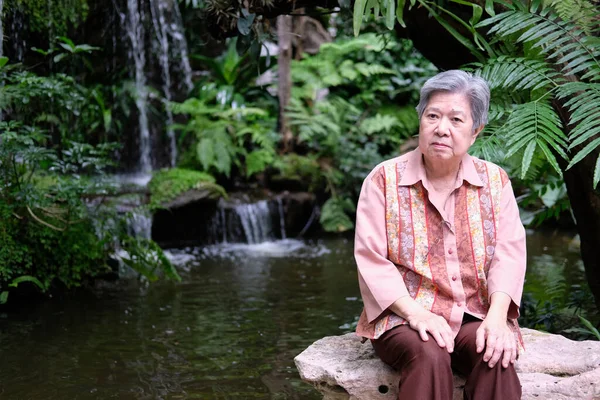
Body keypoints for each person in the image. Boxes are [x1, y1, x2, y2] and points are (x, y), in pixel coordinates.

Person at [354, 70, 525, 400]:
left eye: (456, 120)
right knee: (429, 353)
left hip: (473, 313)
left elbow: (510, 254)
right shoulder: (383, 181)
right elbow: (371, 259)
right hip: (403, 317)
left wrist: (497, 318)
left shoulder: (495, 182)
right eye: (432, 116)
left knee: (495, 355)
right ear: (420, 120)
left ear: (475, 132)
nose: (441, 128)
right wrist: (417, 314)